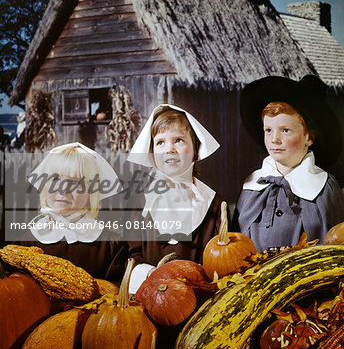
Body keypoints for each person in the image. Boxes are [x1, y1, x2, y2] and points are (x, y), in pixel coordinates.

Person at [231, 75, 344, 252]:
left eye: (285, 130)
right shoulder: (252, 184)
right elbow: (232, 250)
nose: (274, 139)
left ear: (309, 137)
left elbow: (336, 248)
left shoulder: (325, 187)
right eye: (268, 130)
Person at [125, 104, 226, 294]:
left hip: (199, 299)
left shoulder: (214, 203)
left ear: (196, 149)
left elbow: (222, 260)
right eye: (160, 142)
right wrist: (149, 273)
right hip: (147, 298)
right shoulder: (139, 201)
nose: (169, 149)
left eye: (178, 140)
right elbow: (130, 254)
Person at [8, 142, 127, 282]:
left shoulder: (111, 247)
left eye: (76, 183)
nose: (63, 190)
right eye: (55, 179)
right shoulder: (24, 244)